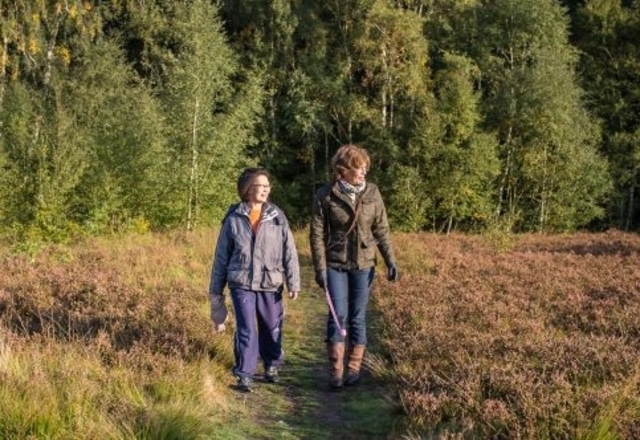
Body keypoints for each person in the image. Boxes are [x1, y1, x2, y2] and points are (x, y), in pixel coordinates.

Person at [310, 144, 398, 390]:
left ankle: (353, 369)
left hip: (364, 263)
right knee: (338, 316)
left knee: (358, 318)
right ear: (343, 170)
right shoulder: (325, 195)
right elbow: (316, 235)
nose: (363, 172)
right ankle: (336, 371)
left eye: (365, 168)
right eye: (359, 168)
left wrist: (390, 260)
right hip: (335, 264)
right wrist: (320, 269)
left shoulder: (372, 193)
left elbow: (381, 229)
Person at [209, 167, 300, 393]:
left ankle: (271, 365)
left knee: (272, 326)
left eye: (267, 186)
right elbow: (221, 257)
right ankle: (244, 374)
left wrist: (293, 281)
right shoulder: (233, 219)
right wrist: (215, 290)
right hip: (242, 283)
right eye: (260, 186)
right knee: (246, 328)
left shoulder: (277, 217)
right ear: (248, 189)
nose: (265, 190)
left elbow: (289, 250)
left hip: (271, 282)